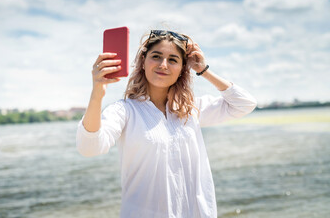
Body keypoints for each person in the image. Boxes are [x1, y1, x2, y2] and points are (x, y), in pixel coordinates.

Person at [76, 29, 257, 218]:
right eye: (156, 56)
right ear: (143, 62)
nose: (163, 65)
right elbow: (89, 148)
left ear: (182, 70)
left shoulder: (191, 108)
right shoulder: (124, 111)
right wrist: (97, 93)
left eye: (173, 60)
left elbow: (244, 103)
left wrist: (203, 70)